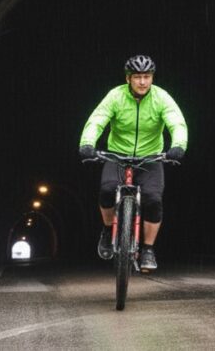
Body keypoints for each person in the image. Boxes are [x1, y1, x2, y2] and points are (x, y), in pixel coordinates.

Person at [78, 55, 188, 272]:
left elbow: (176, 122)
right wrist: (87, 143)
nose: (143, 82)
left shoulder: (161, 97)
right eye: (137, 77)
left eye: (147, 77)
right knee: (107, 190)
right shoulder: (115, 96)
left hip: (150, 157)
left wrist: (178, 146)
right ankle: (108, 230)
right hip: (117, 154)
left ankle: (147, 249)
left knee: (154, 200)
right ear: (128, 78)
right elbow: (97, 120)